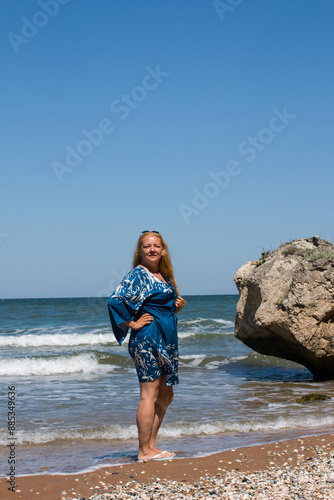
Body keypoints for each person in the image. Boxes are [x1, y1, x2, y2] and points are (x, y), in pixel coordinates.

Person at [108, 231, 186, 462]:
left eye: (156, 246)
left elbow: (159, 306)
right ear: (140, 251)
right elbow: (115, 300)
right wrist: (132, 323)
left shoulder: (163, 275)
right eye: (147, 246)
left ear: (162, 250)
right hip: (148, 339)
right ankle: (144, 451)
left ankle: (151, 446)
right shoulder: (139, 275)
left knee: (166, 394)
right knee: (149, 395)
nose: (152, 249)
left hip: (166, 339)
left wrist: (176, 307)